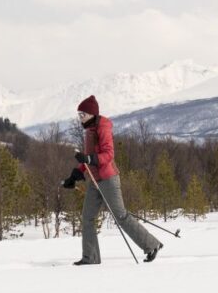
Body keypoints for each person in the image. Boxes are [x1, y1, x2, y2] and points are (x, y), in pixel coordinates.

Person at [62, 95, 163, 265]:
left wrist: (88, 159)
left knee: (121, 216)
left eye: (83, 114)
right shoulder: (89, 131)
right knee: (87, 217)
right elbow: (88, 160)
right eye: (79, 114)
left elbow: (108, 155)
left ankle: (151, 245)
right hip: (95, 181)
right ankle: (90, 257)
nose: (80, 117)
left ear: (92, 114)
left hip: (108, 179)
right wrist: (75, 175)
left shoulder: (103, 128)